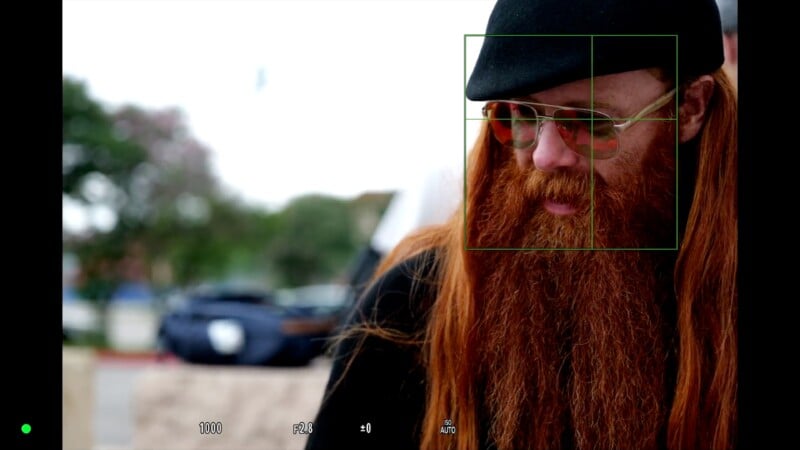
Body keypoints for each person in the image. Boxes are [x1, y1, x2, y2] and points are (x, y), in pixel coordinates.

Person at [305, 0, 737, 449]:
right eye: (523, 116)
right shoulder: (413, 307)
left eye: (589, 120)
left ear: (690, 107)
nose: (544, 157)